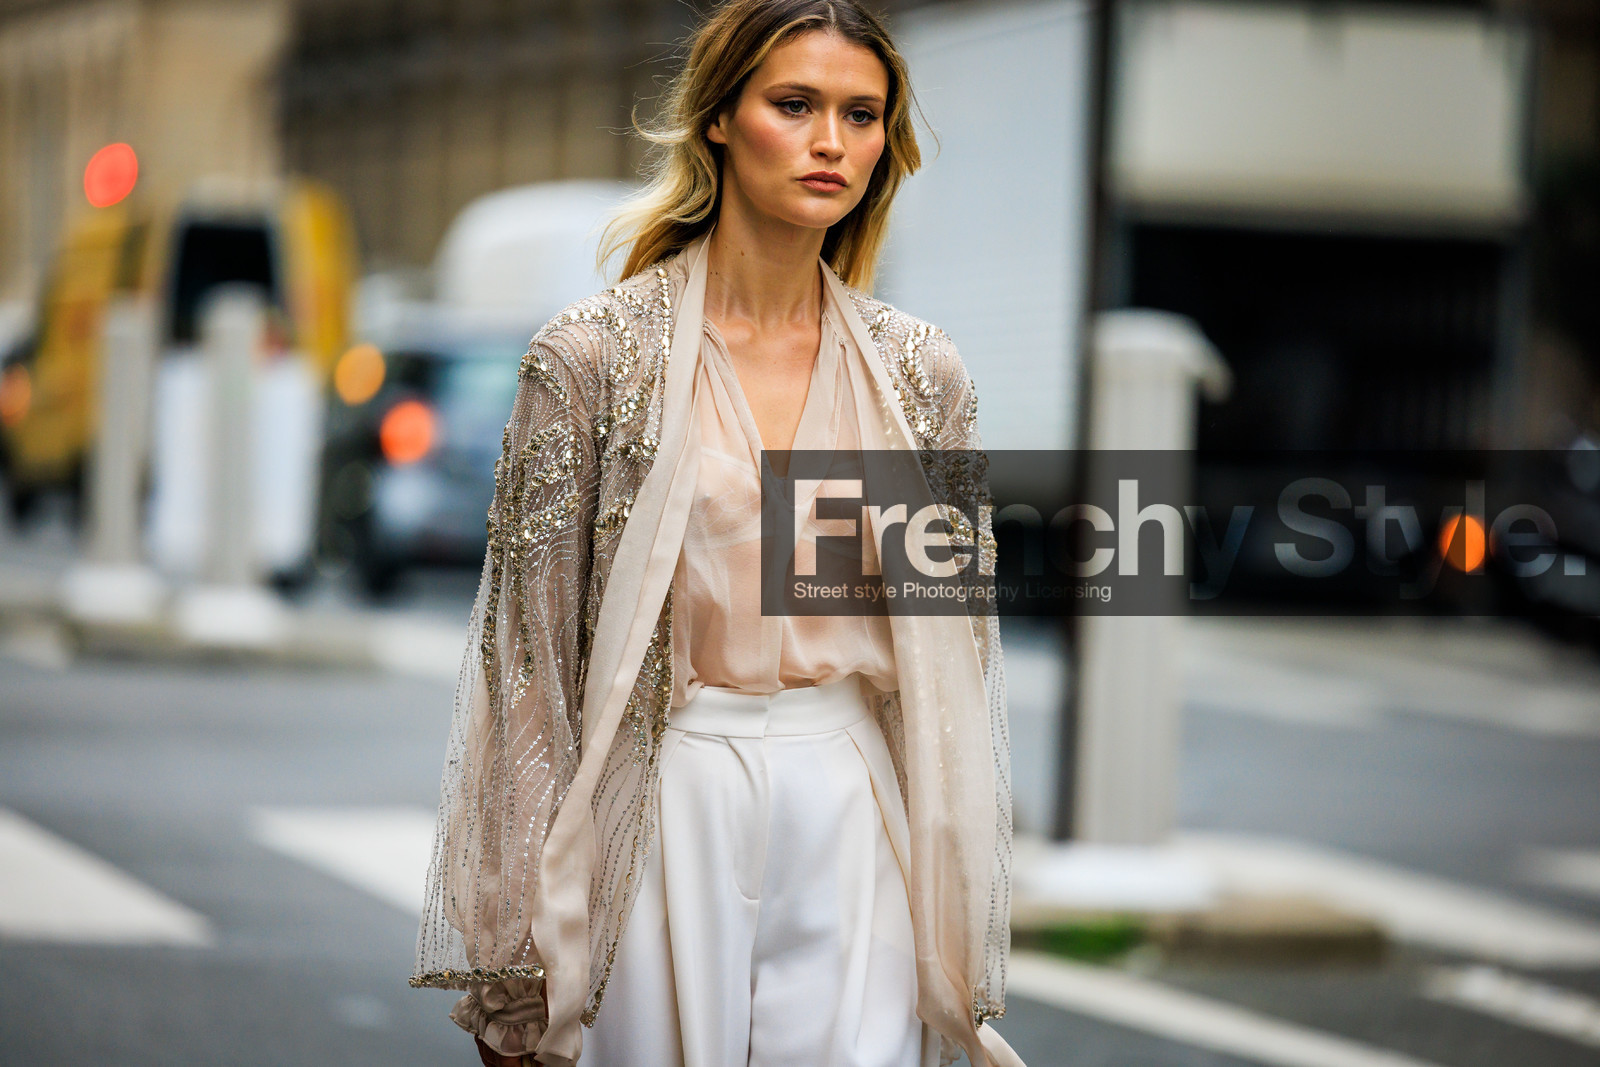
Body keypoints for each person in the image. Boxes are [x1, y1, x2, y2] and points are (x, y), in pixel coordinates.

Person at [409, 2, 1019, 1065]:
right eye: (796, 104)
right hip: (665, 791)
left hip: (851, 797)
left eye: (861, 115)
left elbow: (955, 658)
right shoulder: (590, 359)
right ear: (720, 119)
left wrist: (959, 896)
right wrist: (512, 964)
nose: (831, 141)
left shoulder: (923, 373)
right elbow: (529, 668)